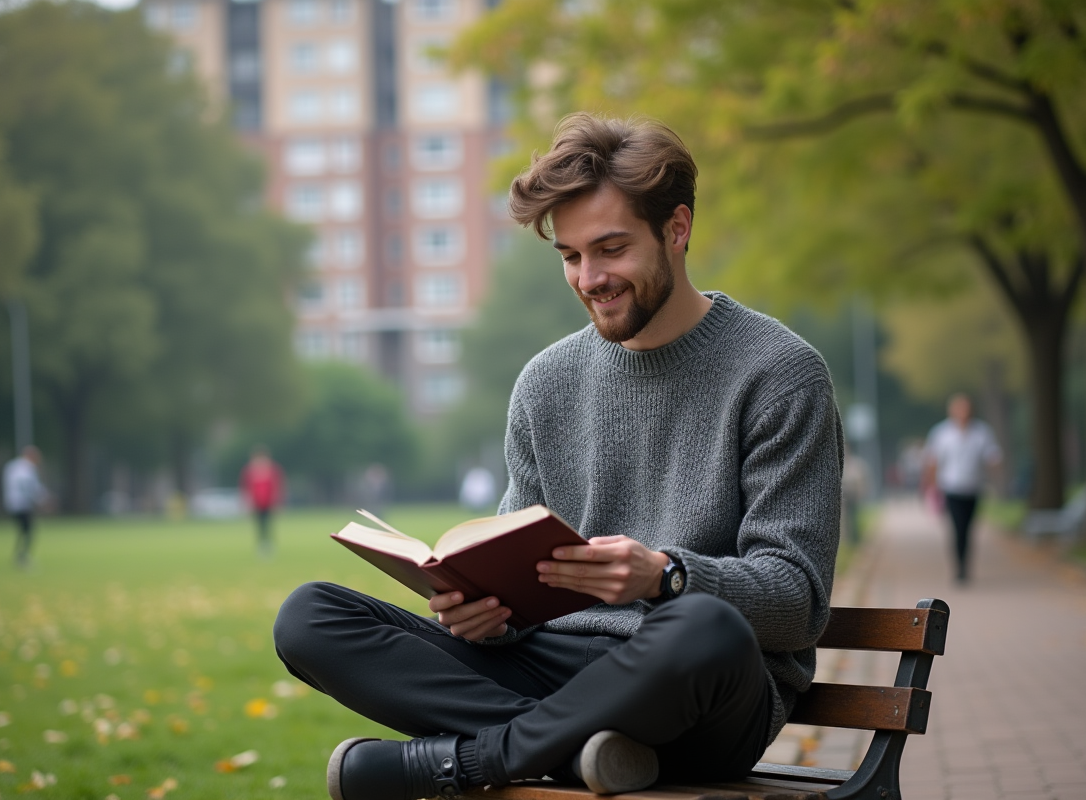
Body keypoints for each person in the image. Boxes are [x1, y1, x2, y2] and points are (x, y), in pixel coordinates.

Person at [273, 114, 843, 800]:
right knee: (310, 616)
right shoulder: (546, 382)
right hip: (551, 664)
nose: (590, 278)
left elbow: (798, 603)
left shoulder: (780, 373)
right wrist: (483, 617)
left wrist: (663, 578)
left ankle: (472, 763)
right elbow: (517, 565)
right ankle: (578, 754)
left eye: (610, 249)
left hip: (696, 688)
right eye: (571, 256)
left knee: (705, 625)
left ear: (678, 229)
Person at [922, 393, 1002, 583]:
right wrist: (931, 486)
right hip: (951, 488)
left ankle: (966, 563)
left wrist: (996, 473)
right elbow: (932, 461)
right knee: (957, 528)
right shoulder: (942, 433)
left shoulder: (982, 432)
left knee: (968, 528)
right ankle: (960, 567)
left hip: (973, 488)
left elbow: (993, 456)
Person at [3, 446, 47, 568]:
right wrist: (42, 499)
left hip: (12, 503)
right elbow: (31, 487)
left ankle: (20, 556)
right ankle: (22, 558)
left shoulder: (11, 466)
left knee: (23, 531)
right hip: (23, 504)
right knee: (28, 532)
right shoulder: (29, 468)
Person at [240, 447, 285, 555]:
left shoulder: (272, 470)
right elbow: (246, 488)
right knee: (259, 525)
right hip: (256, 504)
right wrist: (247, 502)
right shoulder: (250, 471)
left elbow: (277, 487)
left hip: (268, 503)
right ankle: (261, 545)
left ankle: (269, 545)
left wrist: (277, 502)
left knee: (268, 524)